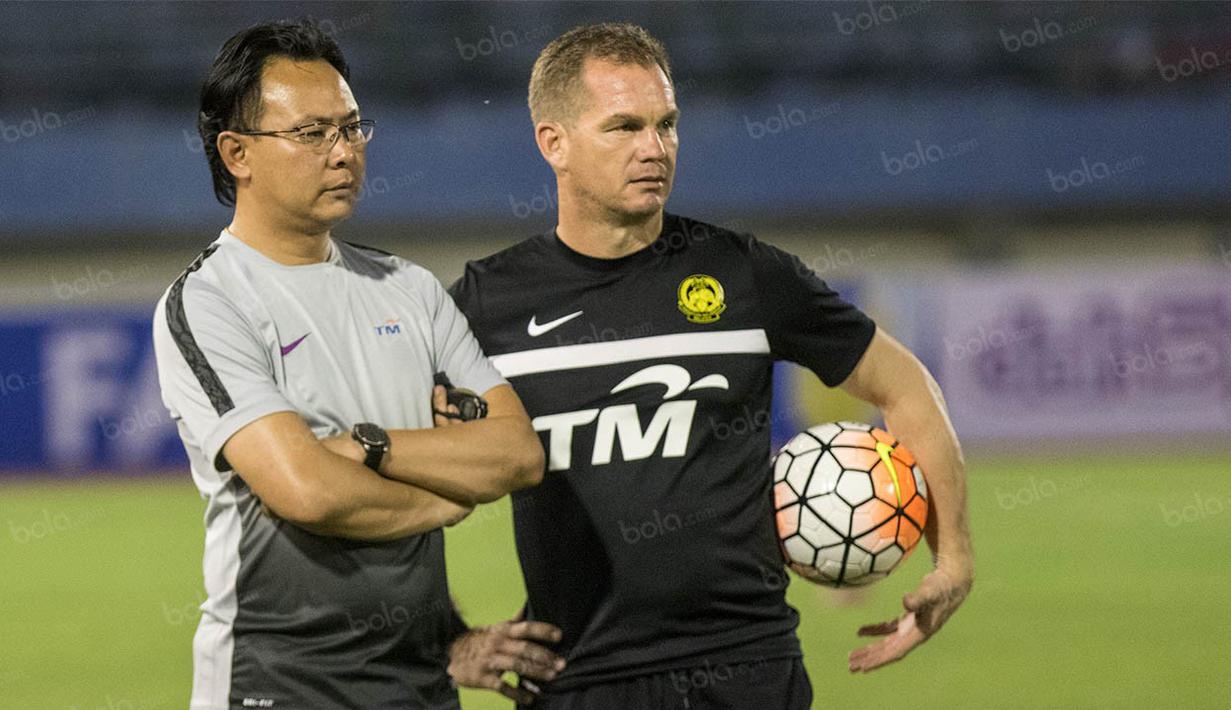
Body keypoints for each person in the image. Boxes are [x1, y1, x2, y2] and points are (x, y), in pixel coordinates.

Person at [447, 22, 974, 708]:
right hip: (579, 683)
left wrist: (954, 556)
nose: (654, 148)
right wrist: (445, 639)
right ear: (554, 143)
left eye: (666, 124)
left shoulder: (744, 274)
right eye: (624, 127)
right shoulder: (486, 304)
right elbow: (400, 484)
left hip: (748, 672)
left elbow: (904, 388)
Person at [152, 20, 560, 709]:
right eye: (311, 134)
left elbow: (516, 455)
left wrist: (368, 447)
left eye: (351, 127)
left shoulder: (408, 287)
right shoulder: (209, 302)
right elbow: (307, 492)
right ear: (236, 153)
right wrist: (448, 492)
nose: (343, 153)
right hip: (276, 683)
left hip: (420, 686)